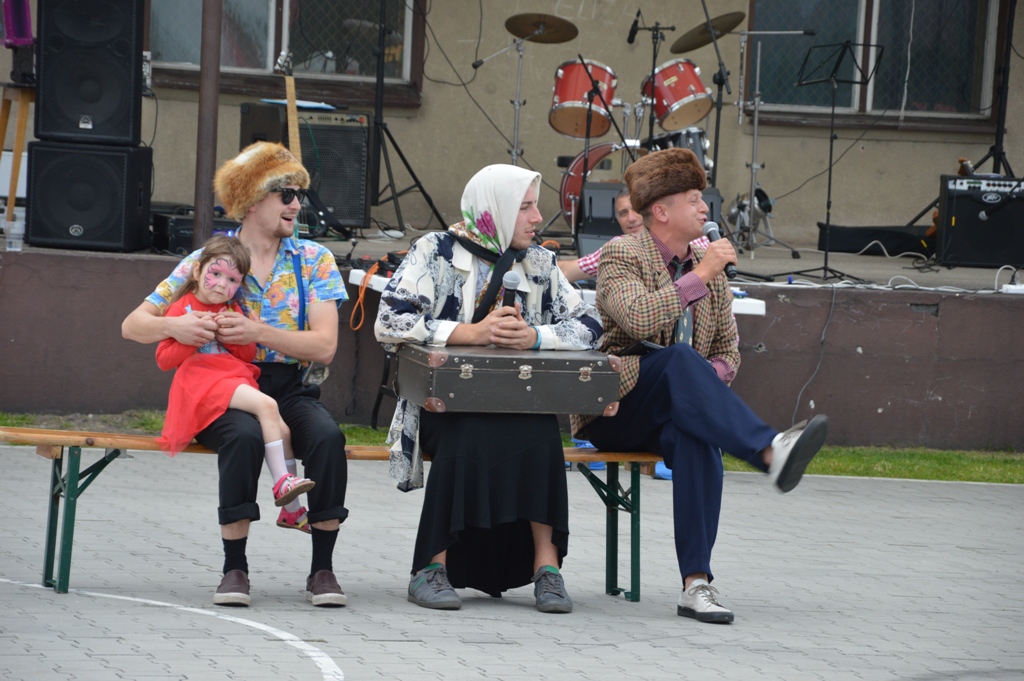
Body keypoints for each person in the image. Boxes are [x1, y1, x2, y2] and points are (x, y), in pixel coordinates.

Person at [573, 148, 829, 625]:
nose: (704, 208)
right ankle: (767, 450)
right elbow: (637, 318)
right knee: (679, 360)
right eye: (693, 199)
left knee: (696, 435)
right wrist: (700, 277)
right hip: (617, 406)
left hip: (674, 407)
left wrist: (700, 388)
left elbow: (729, 350)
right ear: (661, 211)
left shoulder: (705, 263)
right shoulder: (623, 253)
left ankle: (696, 584)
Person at [122, 142, 349, 607]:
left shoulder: (314, 259)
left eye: (299, 194)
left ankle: (323, 569)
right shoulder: (213, 259)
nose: (297, 204)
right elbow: (133, 325)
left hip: (289, 386)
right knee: (243, 438)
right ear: (251, 199)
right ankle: (235, 569)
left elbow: (325, 347)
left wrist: (257, 331)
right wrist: (175, 326)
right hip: (220, 388)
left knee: (328, 439)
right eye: (286, 194)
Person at [374, 164, 602, 614]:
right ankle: (431, 568)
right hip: (442, 405)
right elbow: (390, 321)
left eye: (535, 206)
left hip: (517, 402)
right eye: (525, 207)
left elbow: (590, 325)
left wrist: (536, 337)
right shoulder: (436, 251)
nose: (538, 218)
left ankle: (547, 569)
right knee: (466, 434)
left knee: (541, 434)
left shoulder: (539, 262)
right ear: (494, 210)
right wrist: (469, 333)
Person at [155, 235, 316, 513]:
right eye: (216, 273)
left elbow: (246, 355)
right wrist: (192, 336)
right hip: (202, 381)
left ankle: (292, 510)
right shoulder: (182, 308)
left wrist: (231, 336)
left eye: (232, 280)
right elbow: (164, 360)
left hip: (233, 377)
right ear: (197, 271)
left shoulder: (231, 308)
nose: (222, 284)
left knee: (282, 428)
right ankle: (281, 481)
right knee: (268, 405)